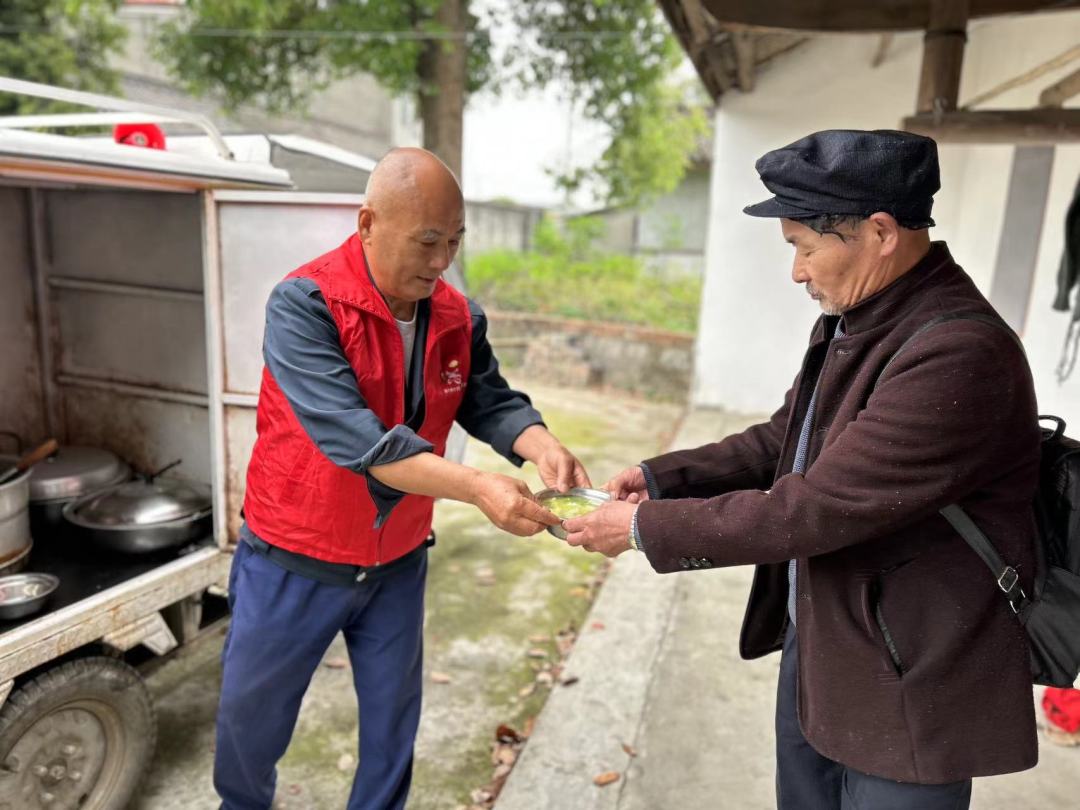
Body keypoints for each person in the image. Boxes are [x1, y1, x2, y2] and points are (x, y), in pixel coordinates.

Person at [564, 130, 1041, 810]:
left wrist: (643, 527)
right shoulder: (862, 317)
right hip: (825, 650)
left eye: (803, 246)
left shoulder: (960, 352)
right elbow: (785, 439)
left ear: (879, 231)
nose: (797, 271)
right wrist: (665, 476)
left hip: (907, 686)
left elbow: (812, 507)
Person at [214, 147, 587, 810]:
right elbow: (359, 442)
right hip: (294, 559)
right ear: (366, 223)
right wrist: (478, 489)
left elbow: (488, 398)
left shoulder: (457, 317)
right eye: (427, 241)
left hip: (398, 562)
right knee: (252, 727)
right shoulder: (305, 305)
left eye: (454, 241)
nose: (442, 260)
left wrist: (538, 443)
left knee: (392, 728)